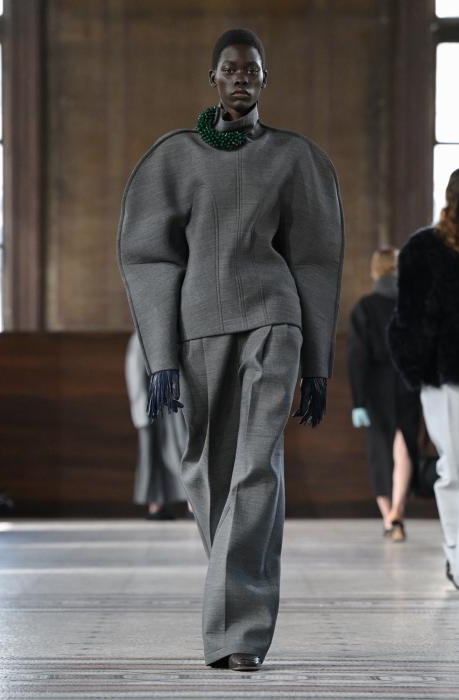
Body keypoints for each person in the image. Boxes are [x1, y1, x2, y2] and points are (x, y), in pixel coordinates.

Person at [117, 27, 344, 671]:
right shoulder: (175, 158)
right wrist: (161, 358)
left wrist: (317, 364)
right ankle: (233, 600)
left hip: (274, 320)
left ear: (265, 79)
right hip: (198, 328)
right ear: (212, 78)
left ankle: (238, 636)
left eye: (252, 68)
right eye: (230, 67)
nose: (241, 76)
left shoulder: (294, 158)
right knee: (204, 471)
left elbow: (316, 258)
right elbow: (149, 256)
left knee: (255, 467)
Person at [388, 169, 459, 590]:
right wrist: (417, 367)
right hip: (445, 375)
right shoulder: (423, 249)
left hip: (442, 369)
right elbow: (408, 318)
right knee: (454, 468)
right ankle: (457, 554)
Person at [347, 248, 420, 541]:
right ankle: (398, 512)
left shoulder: (364, 308)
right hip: (408, 383)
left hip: (375, 386)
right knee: (404, 446)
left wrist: (358, 401)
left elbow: (357, 357)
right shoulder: (412, 305)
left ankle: (388, 516)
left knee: (379, 451)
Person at [125, 331, 188, 519]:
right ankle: (156, 505)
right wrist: (140, 408)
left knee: (181, 451)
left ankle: (191, 504)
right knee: (152, 456)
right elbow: (135, 374)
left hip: (173, 405)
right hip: (152, 407)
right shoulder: (139, 337)